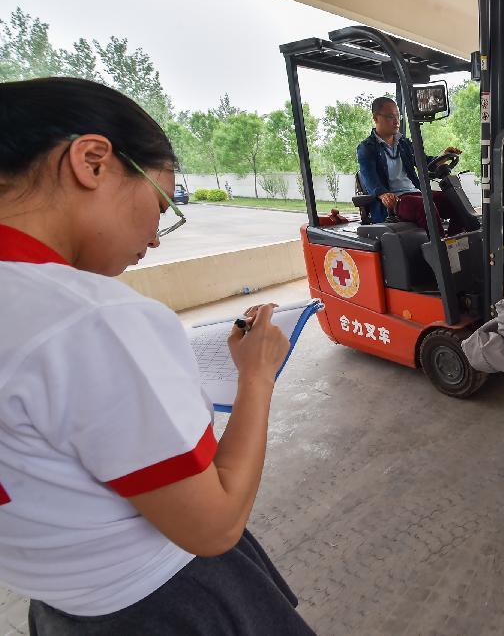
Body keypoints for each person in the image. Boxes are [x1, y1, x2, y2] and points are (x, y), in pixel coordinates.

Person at [0, 77, 316, 635]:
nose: (156, 238)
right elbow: (214, 526)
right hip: (166, 602)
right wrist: (257, 376)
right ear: (93, 161)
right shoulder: (93, 318)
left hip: (61, 607)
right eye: (161, 204)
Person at [356, 96, 478, 237]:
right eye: (391, 116)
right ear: (376, 118)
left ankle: (454, 243)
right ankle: (441, 251)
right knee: (425, 207)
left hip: (416, 193)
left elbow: (424, 161)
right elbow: (369, 178)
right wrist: (383, 194)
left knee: (456, 202)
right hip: (395, 201)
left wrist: (443, 156)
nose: (396, 121)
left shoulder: (404, 144)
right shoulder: (367, 148)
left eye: (398, 116)